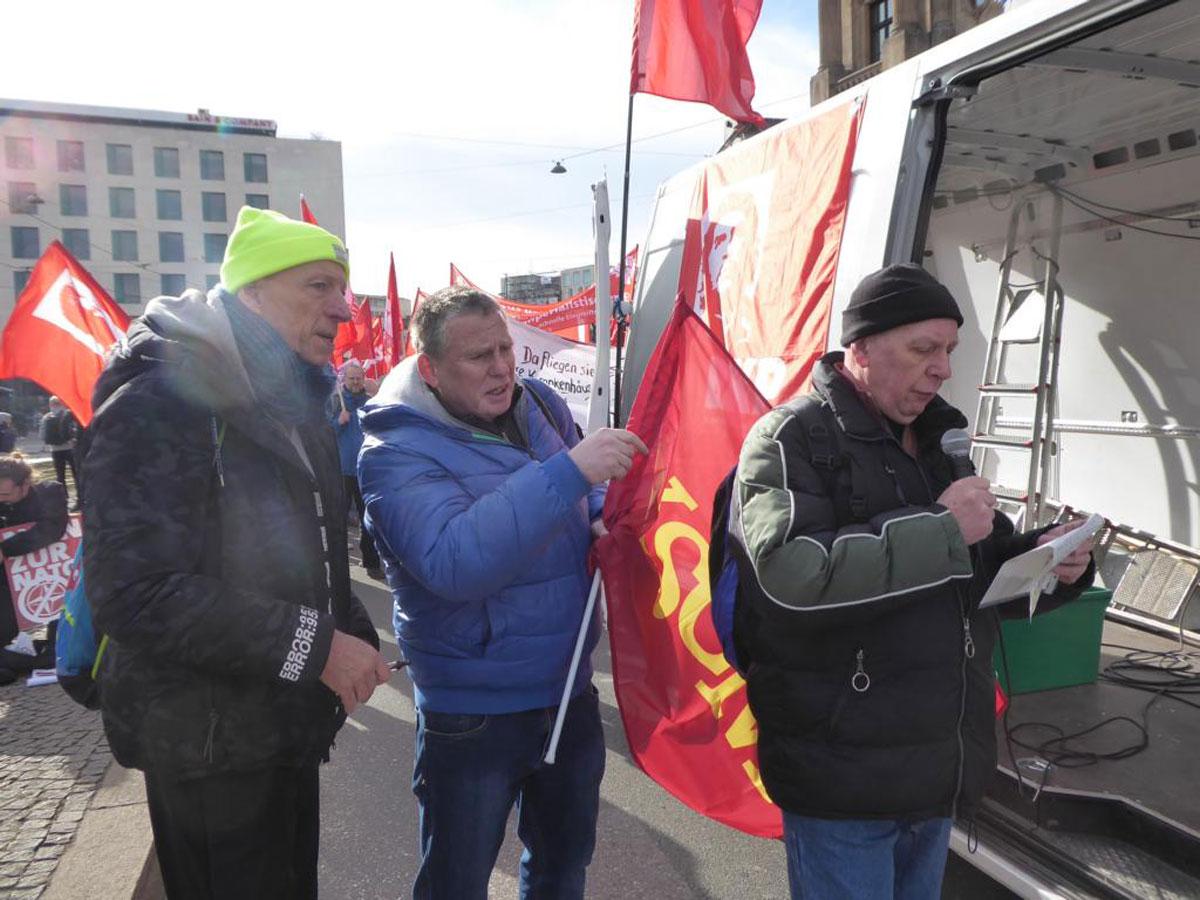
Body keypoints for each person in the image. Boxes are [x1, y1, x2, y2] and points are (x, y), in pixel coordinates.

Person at [728, 264, 1095, 899]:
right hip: (842, 778)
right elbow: (789, 574)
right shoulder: (789, 437)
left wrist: (1049, 563)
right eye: (923, 349)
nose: (943, 369)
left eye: (949, 350)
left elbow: (967, 574)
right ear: (861, 349)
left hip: (935, 771)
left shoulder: (937, 441)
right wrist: (944, 530)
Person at [81, 206, 390, 900]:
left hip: (276, 727)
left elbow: (304, 547)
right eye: (317, 286)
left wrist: (353, 632)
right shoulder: (159, 396)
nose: (342, 308)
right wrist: (317, 648)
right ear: (251, 291)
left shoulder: (293, 396)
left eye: (341, 287)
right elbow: (134, 593)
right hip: (205, 750)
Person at [358, 286, 646, 900]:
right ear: (430, 370)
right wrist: (572, 473)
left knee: (562, 868)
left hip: (566, 692)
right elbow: (455, 562)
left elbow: (583, 492)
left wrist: (596, 512)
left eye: (505, 348)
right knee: (456, 882)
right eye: (478, 356)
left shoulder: (537, 402)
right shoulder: (392, 451)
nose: (501, 367)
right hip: (474, 710)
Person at [0, 452, 69, 680]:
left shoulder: (50, 492)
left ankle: (41, 658)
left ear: (25, 484)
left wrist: (6, 548)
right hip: (9, 580)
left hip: (51, 575)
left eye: (6, 494)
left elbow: (51, 528)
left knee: (62, 638)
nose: (1, 498)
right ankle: (32, 659)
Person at [329, 360, 383, 579]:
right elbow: (324, 435)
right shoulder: (334, 402)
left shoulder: (370, 403)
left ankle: (371, 562)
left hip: (365, 469)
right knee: (338, 520)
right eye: (351, 378)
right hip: (342, 470)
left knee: (368, 519)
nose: (355, 382)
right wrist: (338, 423)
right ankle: (337, 565)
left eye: (359, 378)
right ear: (343, 380)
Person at [40, 397, 80, 508]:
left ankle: (64, 500)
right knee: (76, 475)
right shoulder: (69, 414)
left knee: (60, 476)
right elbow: (75, 430)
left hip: (55, 450)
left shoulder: (46, 417)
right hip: (70, 448)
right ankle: (80, 499)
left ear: (50, 404)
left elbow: (42, 435)